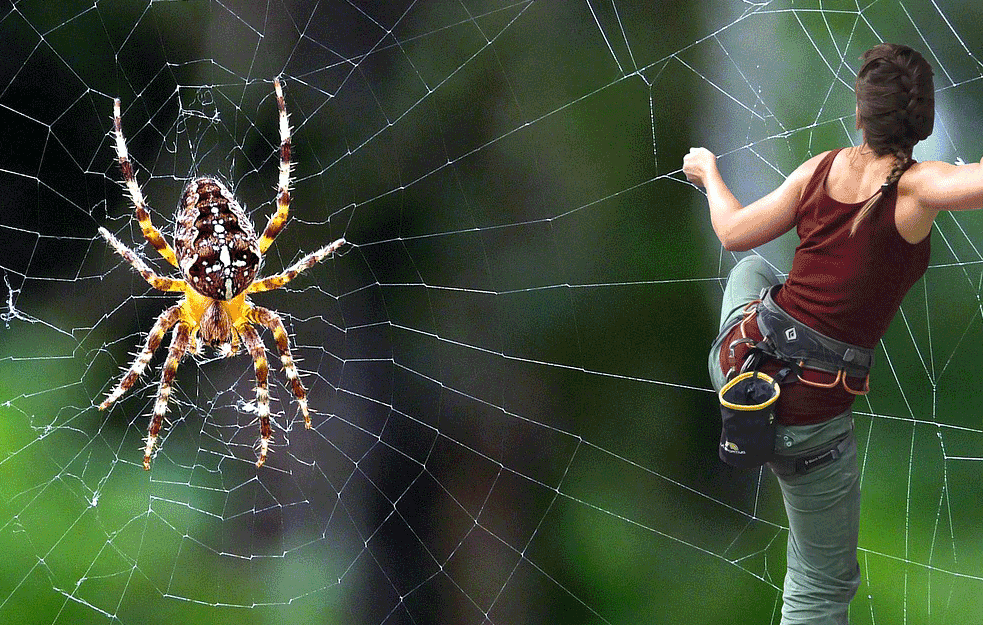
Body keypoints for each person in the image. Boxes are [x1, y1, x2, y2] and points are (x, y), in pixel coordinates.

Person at [683, 43, 983, 625]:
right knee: (820, 590)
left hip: (741, 361)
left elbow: (732, 232)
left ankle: (745, 407)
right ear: (922, 122)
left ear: (860, 114)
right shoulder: (920, 188)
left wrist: (709, 173)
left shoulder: (821, 168)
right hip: (807, 414)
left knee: (754, 270)